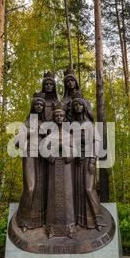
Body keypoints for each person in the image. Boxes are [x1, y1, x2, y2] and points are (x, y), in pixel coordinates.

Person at [71, 91, 105, 231]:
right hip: (75, 161)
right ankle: (82, 220)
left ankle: (98, 220)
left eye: (80, 104)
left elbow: (97, 142)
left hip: (88, 159)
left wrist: (92, 159)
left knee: (88, 188)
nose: (78, 106)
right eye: (76, 104)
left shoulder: (90, 124)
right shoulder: (72, 125)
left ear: (84, 106)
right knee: (77, 189)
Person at [45, 102, 76, 239]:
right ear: (54, 117)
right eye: (56, 115)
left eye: (61, 115)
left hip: (66, 167)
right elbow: (44, 150)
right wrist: (52, 157)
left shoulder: (68, 135)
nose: (59, 117)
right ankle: (52, 229)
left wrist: (66, 154)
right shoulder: (50, 135)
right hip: (53, 168)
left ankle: (69, 228)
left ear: (64, 117)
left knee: (67, 195)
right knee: (53, 195)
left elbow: (74, 150)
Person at [17, 92, 46, 232]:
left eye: (41, 105)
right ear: (33, 106)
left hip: (43, 158)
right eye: (37, 104)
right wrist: (33, 131)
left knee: (41, 189)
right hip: (29, 155)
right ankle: (23, 220)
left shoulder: (45, 123)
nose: (39, 106)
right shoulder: (27, 123)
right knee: (30, 187)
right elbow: (16, 142)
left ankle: (39, 221)